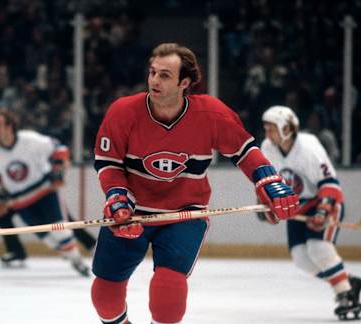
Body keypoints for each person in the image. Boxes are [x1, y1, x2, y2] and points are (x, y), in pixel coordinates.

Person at [91, 43, 299, 324]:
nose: (154, 80)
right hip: (132, 211)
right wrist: (117, 197)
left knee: (168, 298)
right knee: (105, 297)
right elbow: (109, 163)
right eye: (153, 72)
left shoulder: (211, 114)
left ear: (184, 82)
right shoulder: (123, 112)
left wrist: (269, 180)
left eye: (165, 75)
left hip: (184, 213)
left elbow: (246, 151)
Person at [259, 105, 361, 320]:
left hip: (324, 200)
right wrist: (265, 202)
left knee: (318, 248)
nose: (267, 133)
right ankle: (347, 281)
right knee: (300, 258)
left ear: (286, 129)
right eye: (266, 128)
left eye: (271, 128)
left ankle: (346, 295)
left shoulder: (308, 147)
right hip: (298, 206)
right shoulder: (267, 147)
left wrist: (324, 211)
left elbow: (330, 183)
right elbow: (267, 180)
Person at [0, 107, 93, 276]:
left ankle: (77, 261)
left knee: (61, 229)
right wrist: (0, 196)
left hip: (45, 193)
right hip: (21, 202)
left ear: (10, 125)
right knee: (48, 239)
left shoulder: (30, 140)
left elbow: (59, 148)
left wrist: (58, 168)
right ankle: (71, 256)